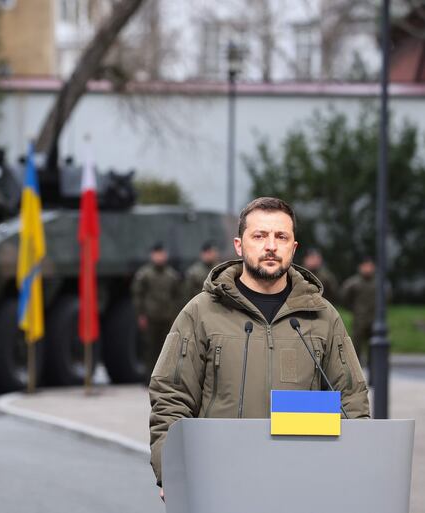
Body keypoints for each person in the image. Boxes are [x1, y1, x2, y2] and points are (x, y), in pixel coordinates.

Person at [148, 197, 370, 499]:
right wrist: (170, 470)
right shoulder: (201, 312)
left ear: (293, 248)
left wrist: (355, 469)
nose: (270, 246)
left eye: (281, 237)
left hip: (300, 484)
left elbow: (351, 400)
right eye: (260, 236)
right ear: (239, 245)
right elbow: (170, 396)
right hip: (219, 479)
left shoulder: (322, 316)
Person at [131, 242, 182, 382]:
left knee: (166, 349)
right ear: (152, 255)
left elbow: (178, 297)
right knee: (150, 349)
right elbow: (138, 295)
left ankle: (164, 378)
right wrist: (140, 315)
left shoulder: (171, 275)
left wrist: (175, 316)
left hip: (167, 317)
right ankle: (149, 377)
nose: (160, 257)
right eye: (157, 254)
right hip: (151, 317)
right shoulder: (144, 275)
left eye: (162, 254)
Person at [341, 256, 377, 363]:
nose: (367, 269)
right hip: (359, 319)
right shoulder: (353, 283)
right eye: (365, 266)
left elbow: (387, 298)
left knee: (374, 350)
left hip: (374, 320)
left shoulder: (378, 283)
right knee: (355, 349)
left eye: (369, 266)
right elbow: (344, 297)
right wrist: (353, 309)